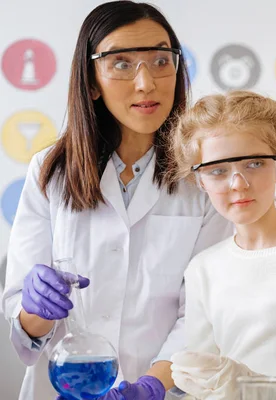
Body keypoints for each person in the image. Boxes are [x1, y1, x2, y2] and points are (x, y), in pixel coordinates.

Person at [1, 2, 231, 399]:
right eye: (121, 63)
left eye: (161, 60)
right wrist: (36, 306)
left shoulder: (203, 175)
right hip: (62, 387)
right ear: (91, 82)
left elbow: (202, 315)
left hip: (166, 388)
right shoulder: (51, 170)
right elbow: (25, 328)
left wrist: (151, 387)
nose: (146, 83)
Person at [167, 91, 276, 400]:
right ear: (200, 180)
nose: (238, 184)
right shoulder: (202, 270)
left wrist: (264, 391)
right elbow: (202, 386)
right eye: (218, 170)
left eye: (255, 163)